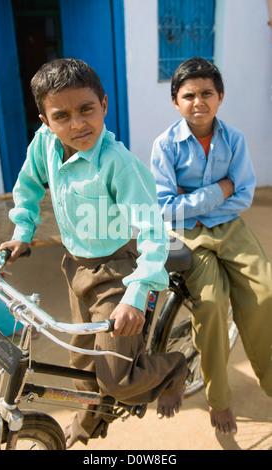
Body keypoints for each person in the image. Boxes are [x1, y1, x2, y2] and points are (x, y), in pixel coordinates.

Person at [0, 58, 188, 448]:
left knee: (118, 380)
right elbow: (28, 185)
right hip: (76, 267)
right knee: (81, 362)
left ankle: (175, 368)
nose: (77, 124)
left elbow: (154, 232)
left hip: (118, 273)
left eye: (86, 109)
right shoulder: (45, 144)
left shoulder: (119, 164)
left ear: (104, 103)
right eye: (61, 115)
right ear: (45, 120)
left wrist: (135, 297)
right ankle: (88, 425)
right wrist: (23, 232)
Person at [151, 57, 272, 435]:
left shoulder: (233, 139)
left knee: (265, 293)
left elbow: (244, 195)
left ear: (220, 97)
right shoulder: (165, 145)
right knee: (213, 305)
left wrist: (199, 198)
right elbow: (166, 208)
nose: (198, 101)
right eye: (189, 95)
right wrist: (218, 189)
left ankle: (270, 382)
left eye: (207, 93)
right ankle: (219, 398)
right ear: (176, 101)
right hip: (189, 232)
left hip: (230, 227)